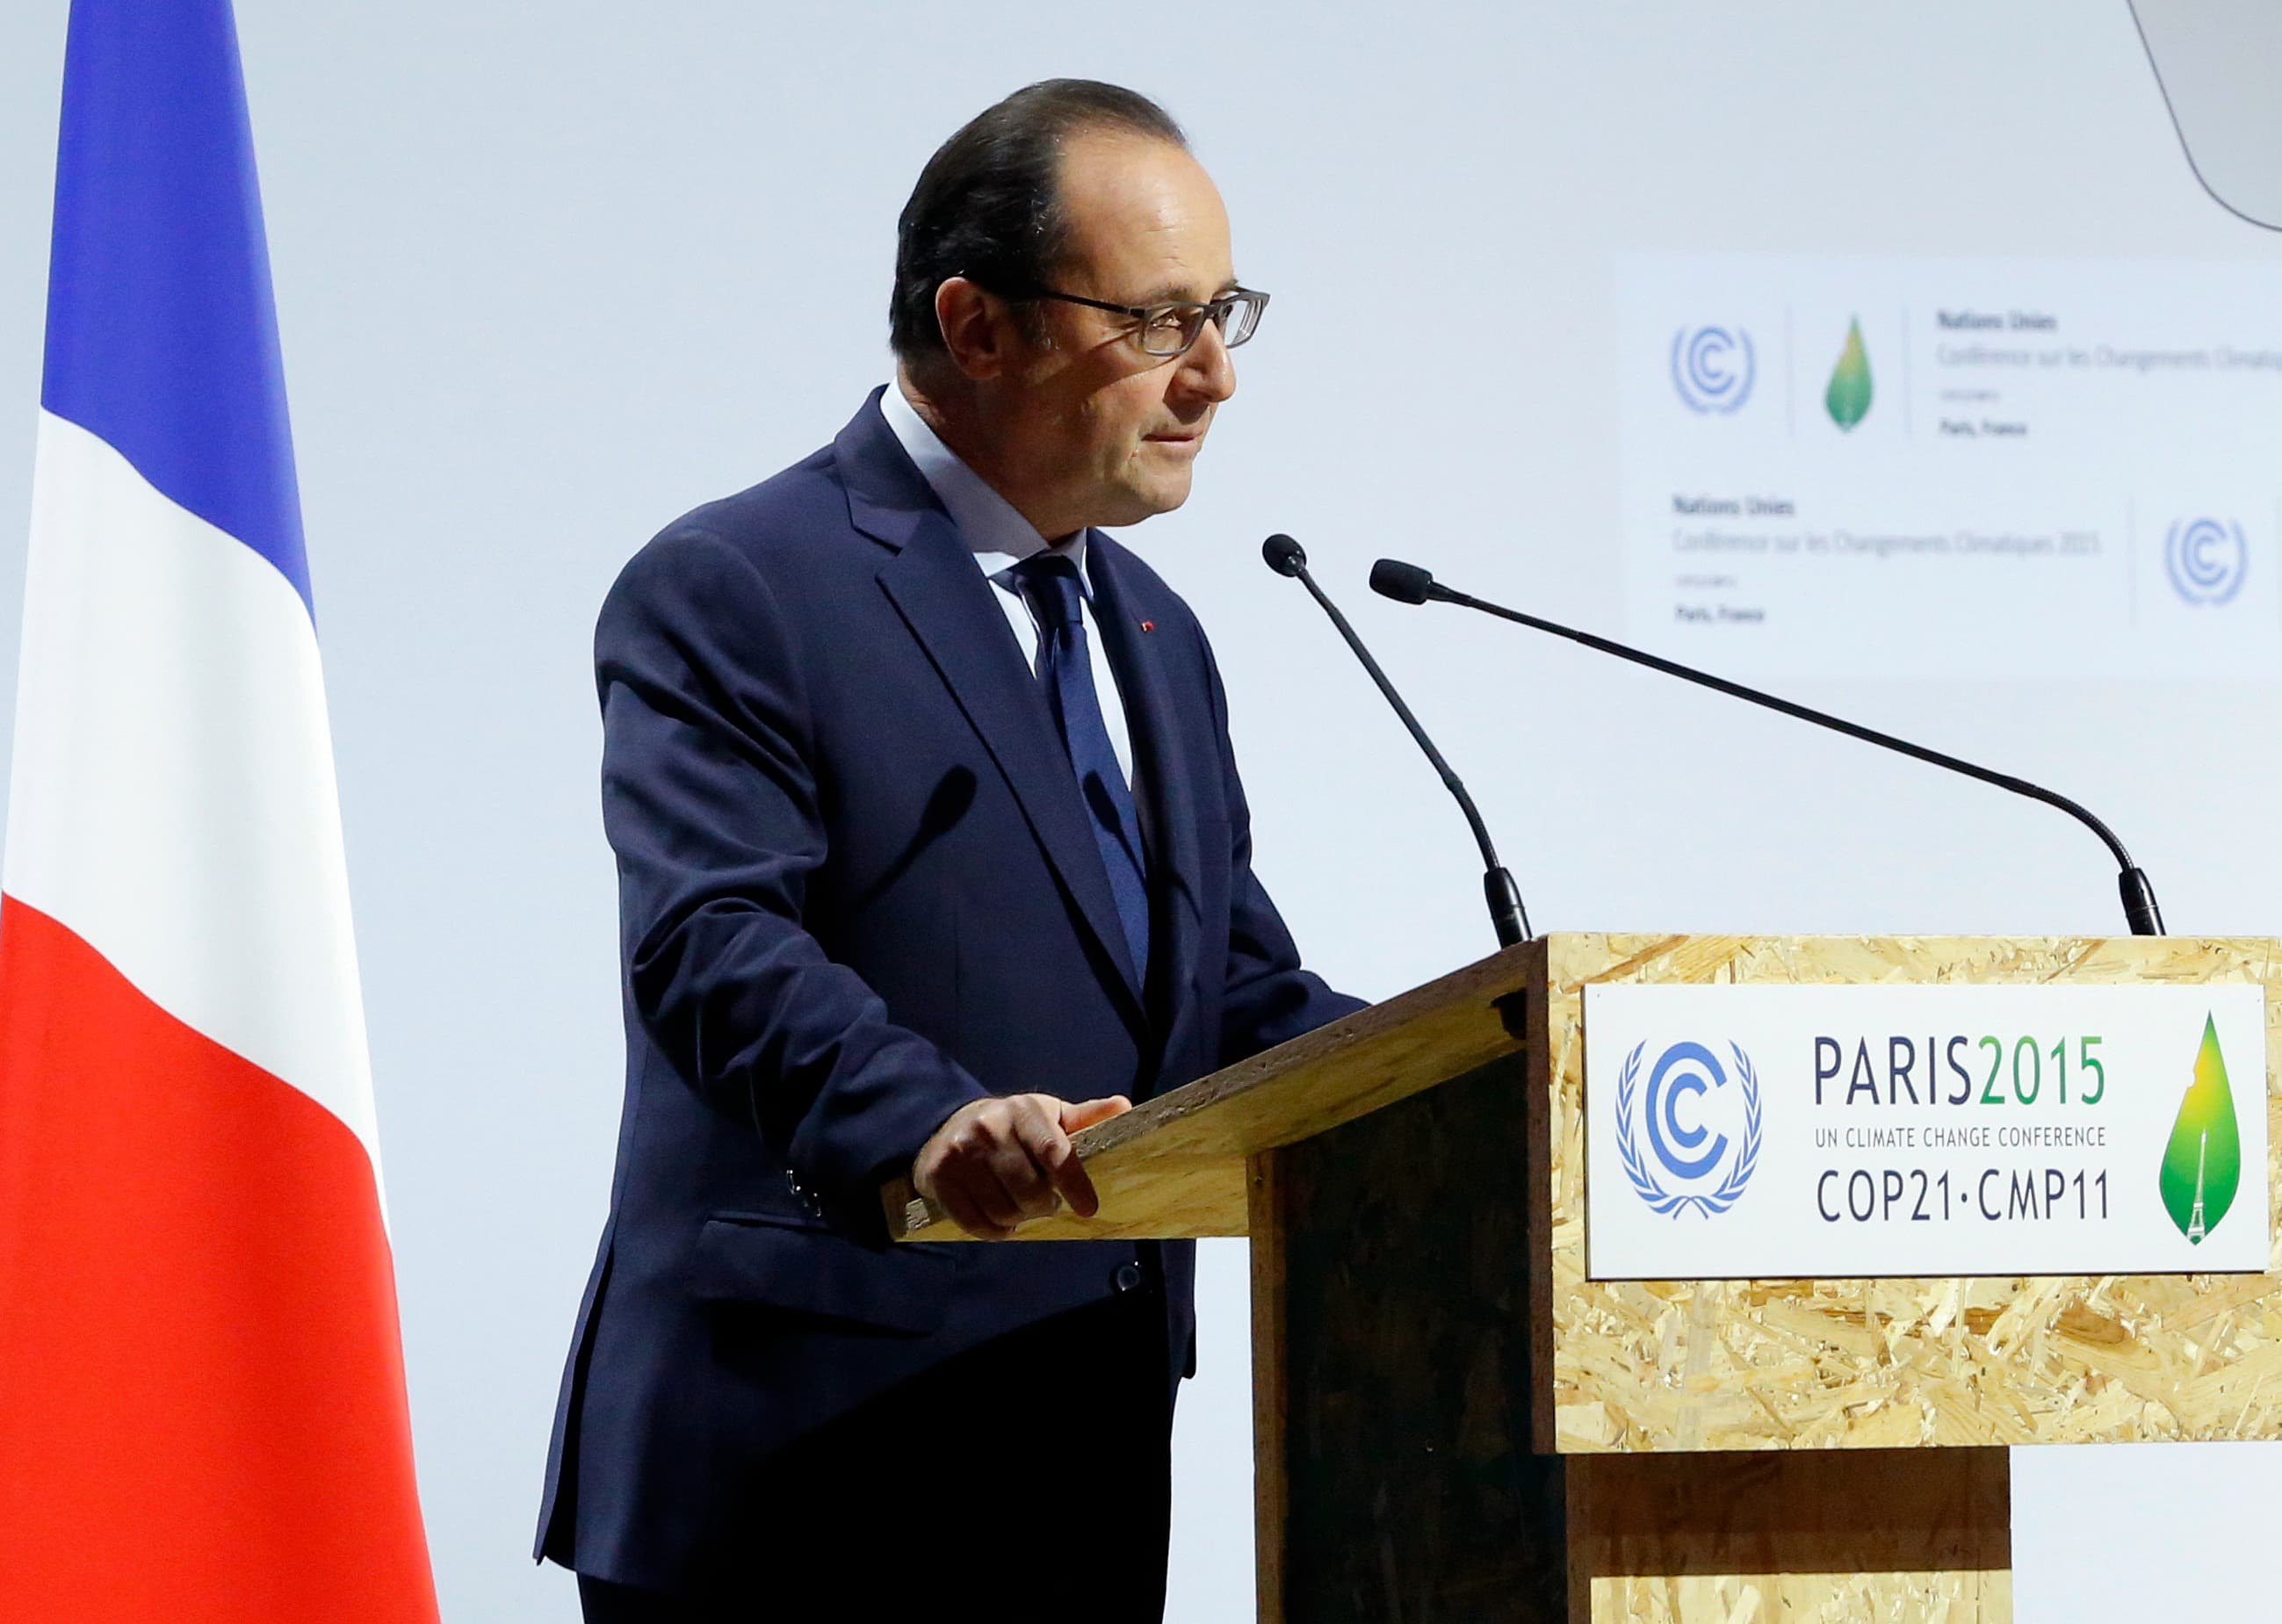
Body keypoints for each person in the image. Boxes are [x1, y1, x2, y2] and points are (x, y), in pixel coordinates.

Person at [537, 78, 1362, 1621]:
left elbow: (1232, 999)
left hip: (1070, 1463)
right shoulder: (739, 582)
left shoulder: (1153, 632)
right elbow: (714, 944)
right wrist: (924, 1122)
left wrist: (1508, 1068)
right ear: (977, 325)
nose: (1211, 375)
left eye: (1221, 314)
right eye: (1157, 320)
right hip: (796, 1477)